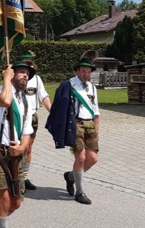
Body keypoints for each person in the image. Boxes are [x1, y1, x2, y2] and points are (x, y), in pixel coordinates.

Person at [0, 61, 35, 228]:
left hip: (15, 154)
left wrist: (22, 147)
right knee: (5, 201)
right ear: (11, 74)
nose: (25, 75)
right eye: (21, 72)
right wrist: (6, 79)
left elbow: (27, 131)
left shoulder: (26, 101)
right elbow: (5, 101)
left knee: (16, 202)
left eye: (27, 74)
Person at [48, 58, 100, 205]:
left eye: (88, 71)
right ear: (77, 71)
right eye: (83, 71)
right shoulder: (69, 85)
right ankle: (79, 192)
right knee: (81, 158)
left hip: (90, 124)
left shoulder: (92, 88)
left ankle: (70, 176)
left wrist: (97, 131)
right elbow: (59, 108)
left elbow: (96, 112)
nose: (86, 74)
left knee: (93, 159)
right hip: (75, 124)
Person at [18, 53, 51, 190]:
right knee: (17, 146)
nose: (28, 66)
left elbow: (44, 97)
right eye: (25, 64)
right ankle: (14, 175)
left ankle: (24, 177)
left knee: (28, 148)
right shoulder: (17, 79)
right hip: (18, 116)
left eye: (30, 63)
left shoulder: (37, 79)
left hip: (32, 116)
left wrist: (53, 113)